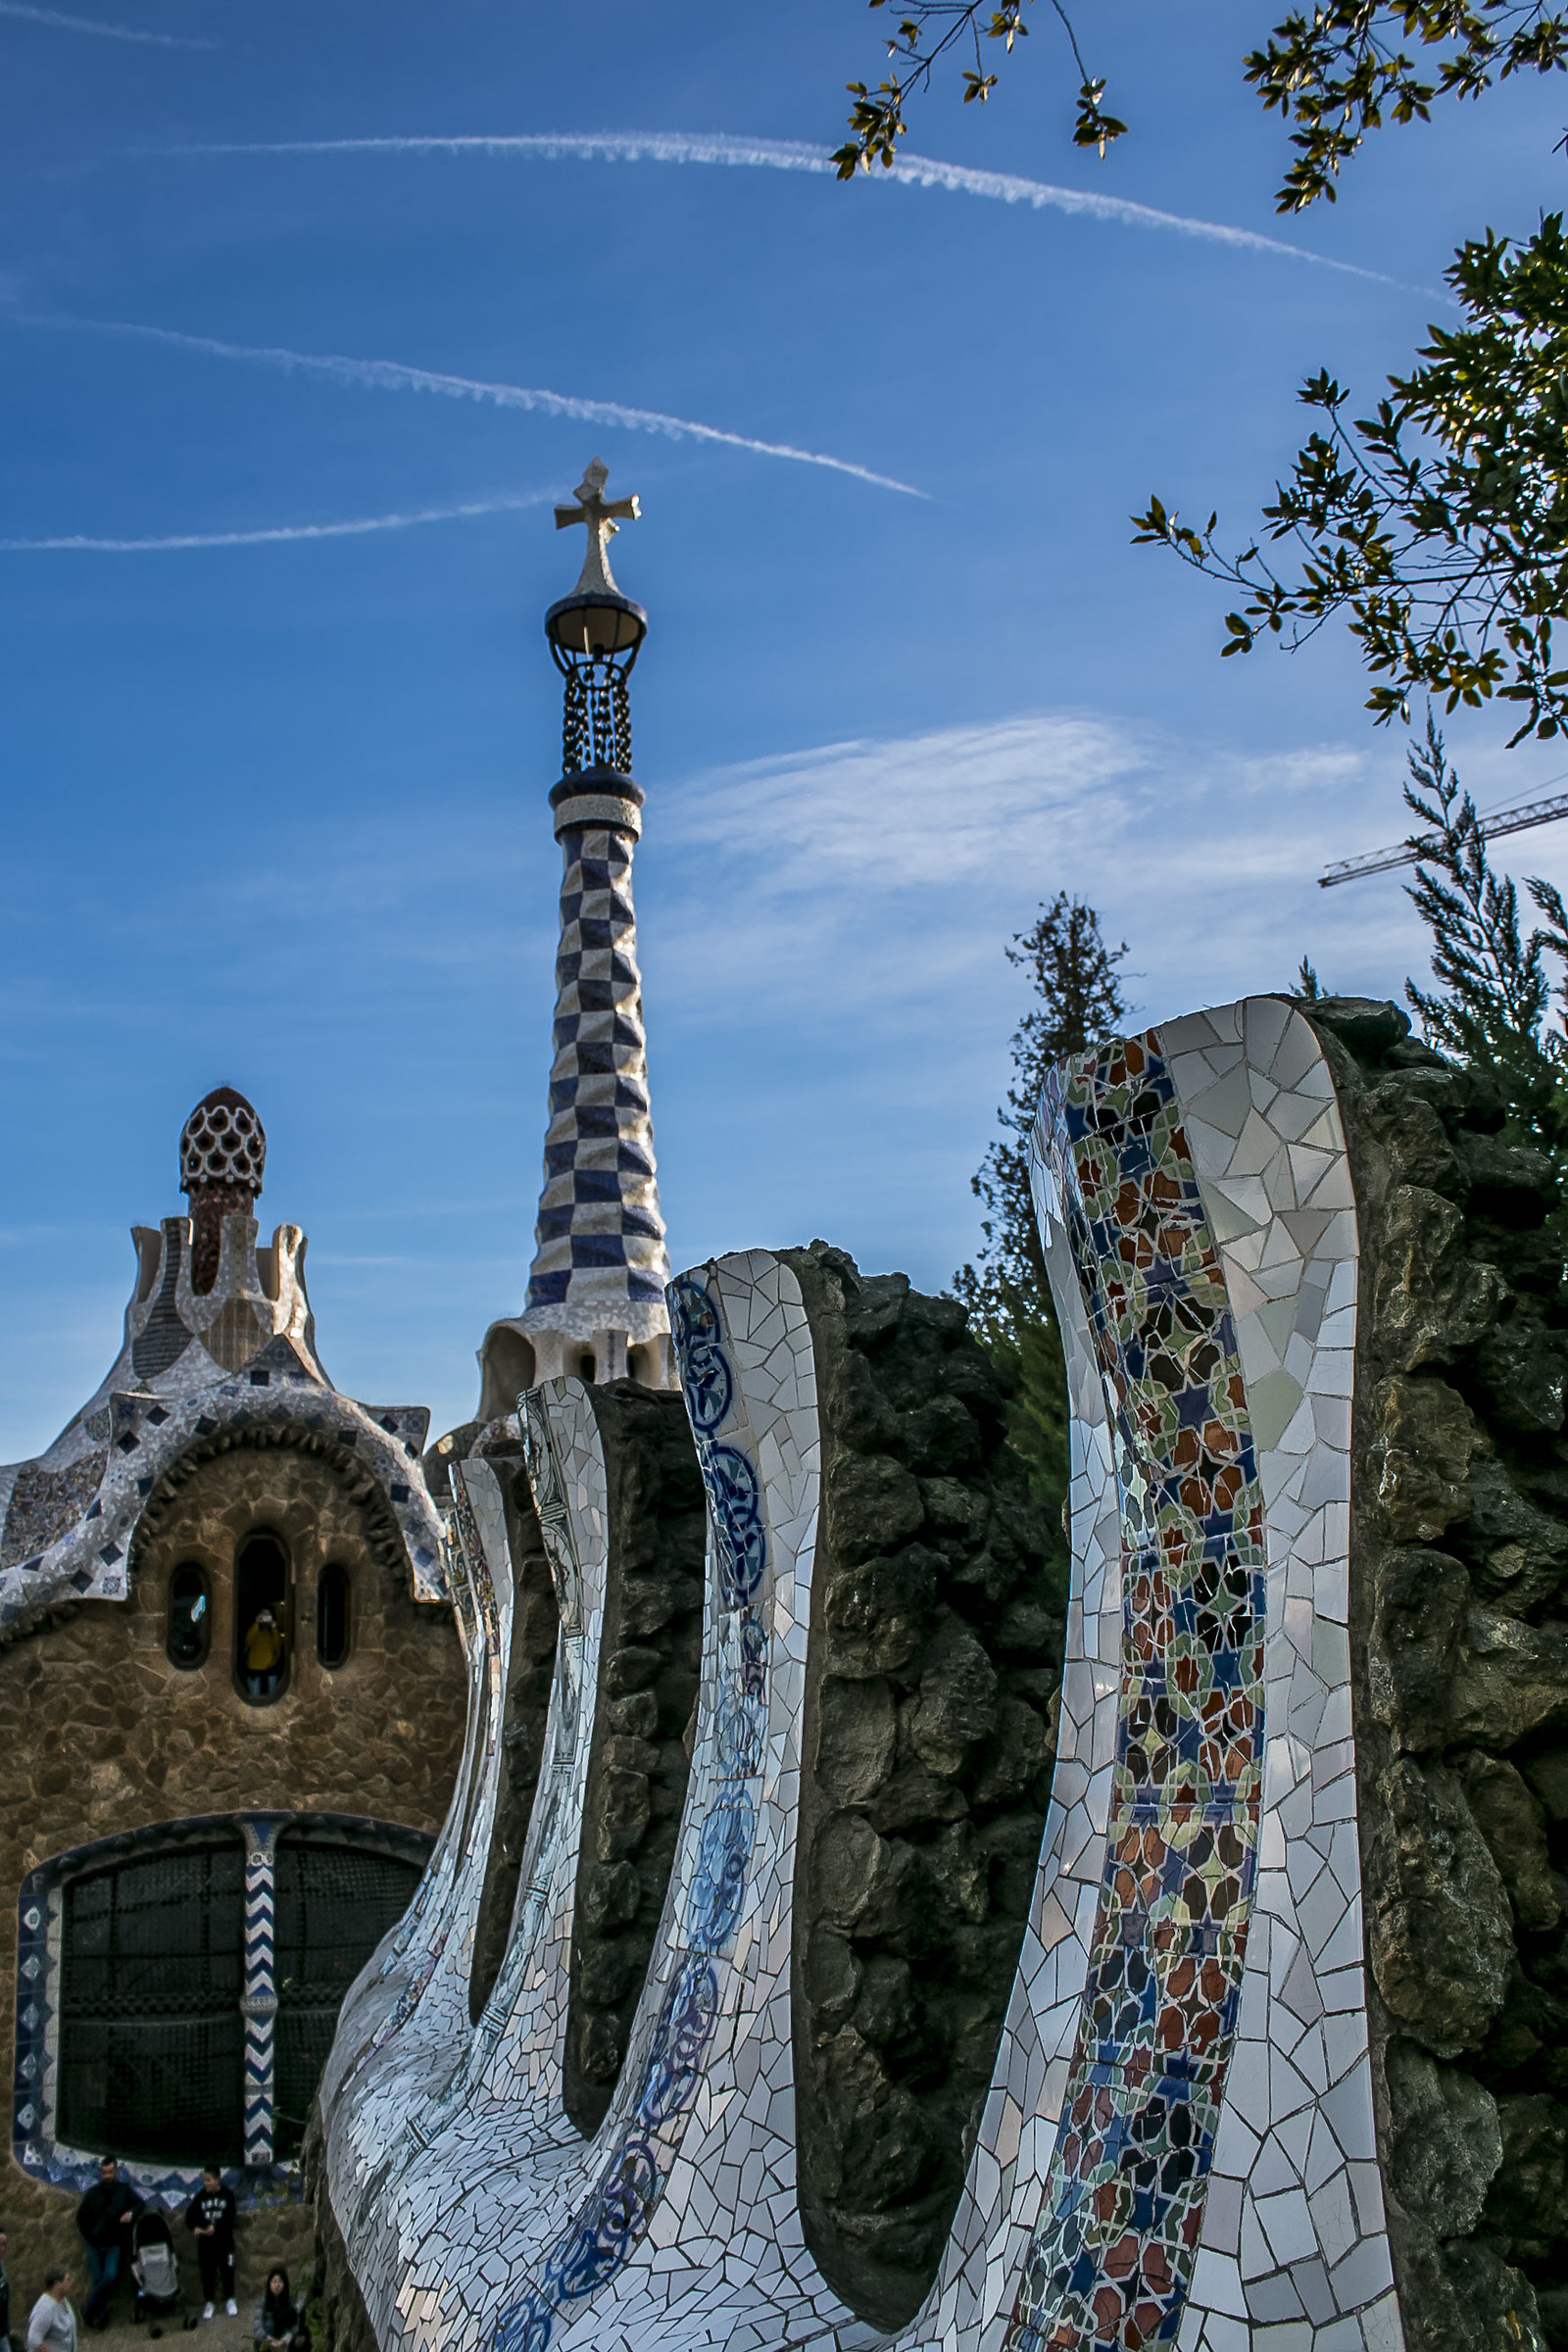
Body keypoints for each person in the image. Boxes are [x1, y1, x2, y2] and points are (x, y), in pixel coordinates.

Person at [74, 2157, 141, 2330]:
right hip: (95, 2245)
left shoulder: (123, 2190)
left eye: (110, 2172)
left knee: (109, 2277)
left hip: (113, 2245)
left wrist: (131, 2213)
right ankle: (100, 2318)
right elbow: (81, 2218)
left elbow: (140, 2203)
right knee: (98, 2281)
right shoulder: (93, 2193)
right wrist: (89, 2237)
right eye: (104, 2172)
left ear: (116, 2172)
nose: (107, 2176)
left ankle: (88, 2309)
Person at [183, 2167, 237, 2321]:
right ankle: (209, 2302)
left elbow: (230, 2216)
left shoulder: (227, 2196)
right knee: (208, 2274)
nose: (206, 2183)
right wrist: (199, 2227)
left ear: (217, 2180)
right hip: (206, 2245)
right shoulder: (200, 2197)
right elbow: (190, 2217)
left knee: (227, 2271)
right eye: (204, 2180)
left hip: (224, 2242)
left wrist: (217, 2226)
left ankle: (230, 2299)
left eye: (208, 2180)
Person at [252, 2266, 308, 2352]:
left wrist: (284, 2341)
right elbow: (257, 2326)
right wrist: (268, 2339)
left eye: (280, 2282)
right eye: (274, 2282)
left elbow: (295, 2326)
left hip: (284, 2339)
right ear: (269, 2284)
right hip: (267, 2339)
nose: (277, 2285)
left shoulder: (291, 2301)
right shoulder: (263, 2300)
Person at [24, 2270, 75, 2352]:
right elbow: (33, 2339)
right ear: (57, 2284)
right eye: (67, 2280)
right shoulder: (45, 2308)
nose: (70, 2283)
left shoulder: (64, 2301)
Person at [242, 1608, 284, 1697]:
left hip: (271, 1667)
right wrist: (256, 1624)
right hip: (254, 1667)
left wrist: (274, 1628)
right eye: (263, 1615)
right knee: (254, 1695)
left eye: (267, 1616)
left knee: (272, 1695)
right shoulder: (255, 1630)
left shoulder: (273, 1632)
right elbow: (248, 1641)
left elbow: (277, 1645)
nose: (265, 1618)